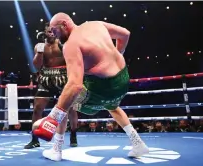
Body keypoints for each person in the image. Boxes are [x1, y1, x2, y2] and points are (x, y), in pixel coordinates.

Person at [32, 13, 149, 161]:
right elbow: (125, 34)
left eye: (55, 30)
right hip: (123, 79)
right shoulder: (96, 24)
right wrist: (118, 53)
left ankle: (56, 150)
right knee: (112, 107)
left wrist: (52, 117)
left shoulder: (71, 44)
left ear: (64, 25)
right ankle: (138, 143)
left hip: (102, 87)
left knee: (66, 101)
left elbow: (75, 85)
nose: (54, 35)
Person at [24, 23, 78, 149]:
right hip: (46, 79)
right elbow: (36, 66)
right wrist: (40, 53)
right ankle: (34, 139)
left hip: (63, 77)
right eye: (49, 30)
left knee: (70, 109)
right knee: (37, 108)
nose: (51, 33)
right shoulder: (39, 46)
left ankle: (73, 135)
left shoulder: (64, 43)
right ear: (45, 32)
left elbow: (73, 60)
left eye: (53, 30)